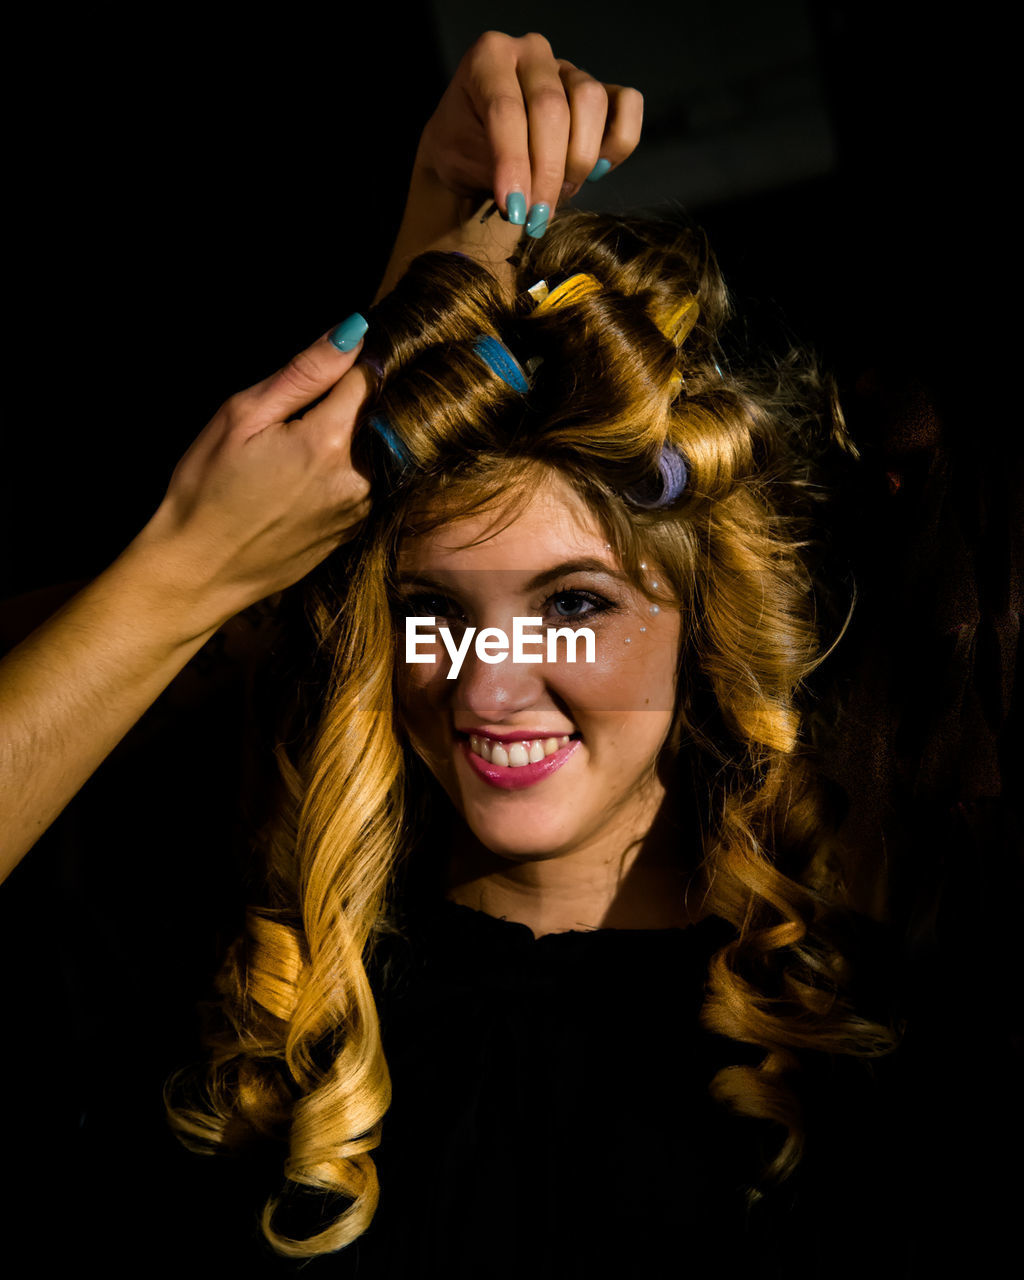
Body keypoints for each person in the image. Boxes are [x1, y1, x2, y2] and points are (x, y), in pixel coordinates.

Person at [0, 30, 904, 1277]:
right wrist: (190, 563)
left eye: (574, 604)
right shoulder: (239, 1004)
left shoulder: (870, 1042)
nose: (484, 683)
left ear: (709, 624)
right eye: (436, 607)